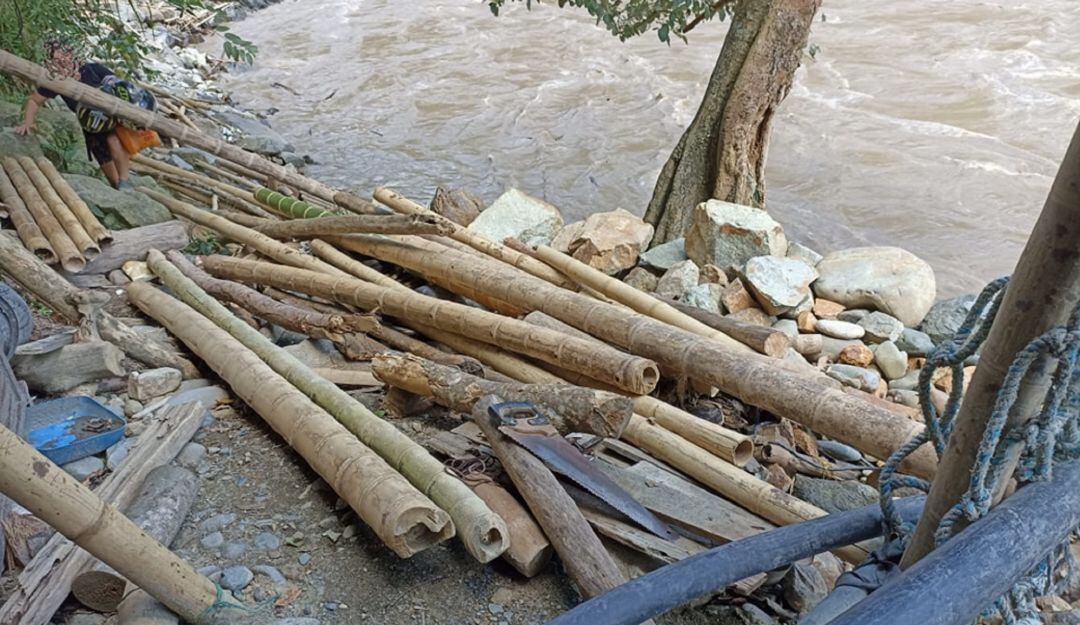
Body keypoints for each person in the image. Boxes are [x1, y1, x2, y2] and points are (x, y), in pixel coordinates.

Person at [14, 41, 133, 190]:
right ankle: (117, 186)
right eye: (57, 61)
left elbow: (122, 87)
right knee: (103, 158)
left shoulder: (92, 70)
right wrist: (28, 122)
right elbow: (34, 101)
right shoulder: (57, 81)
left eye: (65, 56)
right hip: (89, 125)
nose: (63, 62)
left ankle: (125, 180)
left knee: (114, 142)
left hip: (110, 119)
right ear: (51, 63)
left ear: (72, 55)